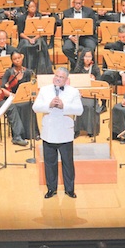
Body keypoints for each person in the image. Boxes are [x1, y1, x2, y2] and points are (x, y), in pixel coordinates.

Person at [32, 67, 83, 198]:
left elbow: (79, 110)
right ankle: (51, 189)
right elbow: (35, 107)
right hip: (49, 132)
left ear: (66, 80)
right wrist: (49, 105)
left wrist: (63, 106)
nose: (58, 78)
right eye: (56, 76)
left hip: (65, 133)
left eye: (61, 77)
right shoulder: (44, 90)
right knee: (50, 163)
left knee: (68, 163)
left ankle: (70, 189)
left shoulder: (73, 92)